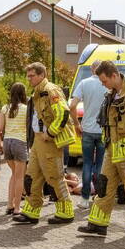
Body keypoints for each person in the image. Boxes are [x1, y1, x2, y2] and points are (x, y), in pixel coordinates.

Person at [78, 60, 125, 239]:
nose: (103, 85)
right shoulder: (112, 93)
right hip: (112, 150)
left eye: (104, 81)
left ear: (114, 76)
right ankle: (97, 224)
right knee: (103, 186)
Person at [12, 63, 76, 225]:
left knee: (55, 177)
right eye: (28, 75)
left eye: (32, 75)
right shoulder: (38, 92)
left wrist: (50, 133)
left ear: (41, 75)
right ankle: (32, 212)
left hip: (50, 142)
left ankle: (66, 212)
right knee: (31, 177)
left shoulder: (51, 90)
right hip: (38, 141)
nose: (29, 78)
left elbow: (63, 112)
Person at [69, 60, 107, 208]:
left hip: (87, 130)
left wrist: (76, 124)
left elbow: (72, 105)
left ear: (92, 70)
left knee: (87, 164)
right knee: (100, 165)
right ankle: (99, 196)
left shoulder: (84, 83)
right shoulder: (107, 85)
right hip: (103, 131)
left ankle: (84, 199)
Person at [0, 82, 29, 215]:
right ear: (23, 93)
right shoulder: (26, 109)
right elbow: (30, 128)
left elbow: (0, 128)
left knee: (14, 175)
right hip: (19, 142)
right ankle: (17, 208)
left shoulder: (5, 108)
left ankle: (9, 205)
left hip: (7, 143)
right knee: (19, 177)